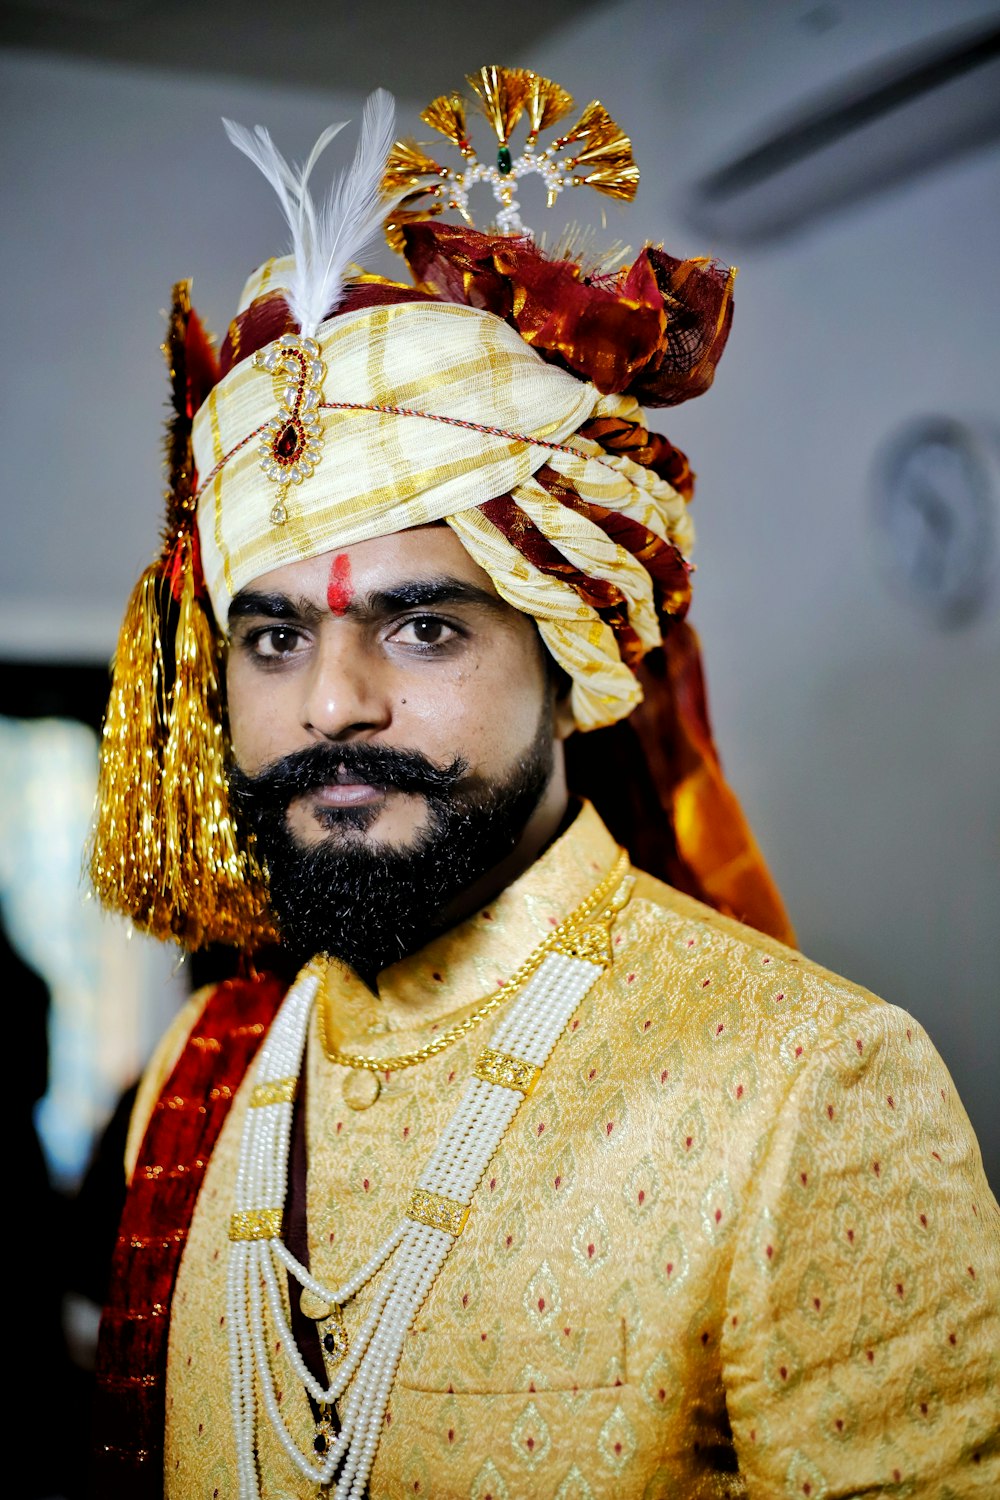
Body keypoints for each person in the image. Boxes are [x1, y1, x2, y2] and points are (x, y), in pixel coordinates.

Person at [90, 70, 998, 1500]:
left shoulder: (813, 1089)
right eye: (272, 636)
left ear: (576, 658)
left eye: (424, 625)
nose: (333, 702)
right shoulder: (205, 1073)